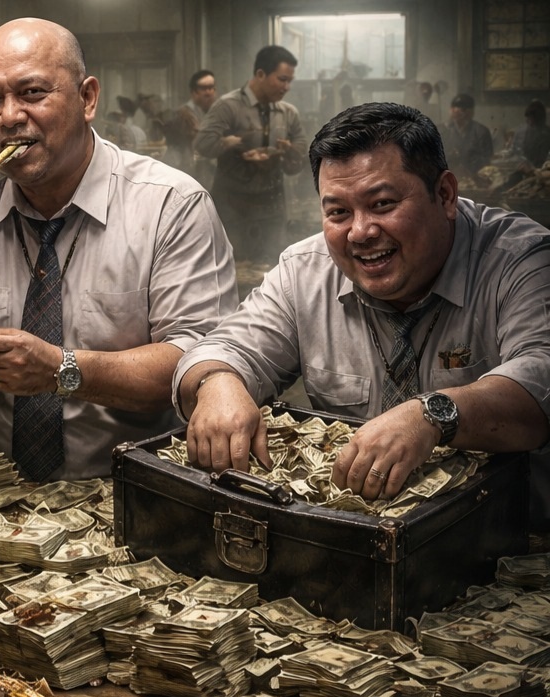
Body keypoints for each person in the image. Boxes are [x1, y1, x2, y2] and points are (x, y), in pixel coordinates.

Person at [0, 16, 239, 482]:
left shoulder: (170, 205)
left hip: (131, 486)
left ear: (88, 98)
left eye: (33, 93)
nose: (9, 116)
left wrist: (64, 369)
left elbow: (201, 365)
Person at [174, 101, 550, 528]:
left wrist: (432, 414)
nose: (360, 231)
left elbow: (541, 377)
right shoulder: (305, 271)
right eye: (338, 212)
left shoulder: (519, 260)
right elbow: (223, 347)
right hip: (355, 543)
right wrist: (217, 381)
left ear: (444, 194)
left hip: (508, 544)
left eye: (383, 203)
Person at [194, 45, 307, 264]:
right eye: (282, 79)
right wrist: (233, 144)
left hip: (272, 208)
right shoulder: (228, 106)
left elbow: (302, 149)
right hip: (233, 209)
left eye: (289, 81)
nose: (287, 87)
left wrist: (287, 151)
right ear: (260, 74)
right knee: (231, 269)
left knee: (275, 269)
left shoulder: (288, 112)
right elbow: (202, 143)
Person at [165, 69, 217, 181]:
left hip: (203, 172)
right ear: (194, 92)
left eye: (211, 87)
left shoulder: (212, 112)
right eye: (203, 88)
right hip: (185, 170)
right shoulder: (184, 114)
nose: (208, 92)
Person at [441, 93, 493, 178]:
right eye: (455, 109)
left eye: (464, 110)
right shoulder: (442, 131)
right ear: (451, 110)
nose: (461, 113)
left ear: (472, 112)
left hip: (476, 178)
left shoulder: (481, 131)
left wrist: (469, 170)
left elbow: (487, 160)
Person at [517, 99, 550, 169]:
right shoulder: (529, 131)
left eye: (529, 118)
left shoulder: (546, 135)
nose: (527, 121)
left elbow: (544, 161)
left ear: (537, 118)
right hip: (528, 168)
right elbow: (523, 151)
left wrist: (532, 168)